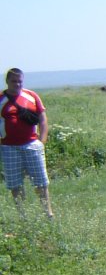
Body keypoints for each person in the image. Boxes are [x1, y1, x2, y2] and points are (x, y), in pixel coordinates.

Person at [1, 67, 53, 218]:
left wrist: (42, 141)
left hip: (32, 145)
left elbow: (43, 119)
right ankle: (22, 215)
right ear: (7, 81)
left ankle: (48, 213)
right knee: (15, 184)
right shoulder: (1, 99)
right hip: (8, 147)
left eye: (20, 81)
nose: (17, 84)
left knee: (41, 182)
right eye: (14, 81)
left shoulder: (32, 96)